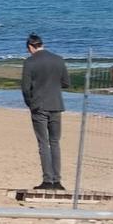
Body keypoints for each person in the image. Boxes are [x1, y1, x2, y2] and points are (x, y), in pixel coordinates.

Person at [20, 32, 69, 191]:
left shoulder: (29, 62)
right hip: (56, 104)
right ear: (41, 44)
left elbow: (25, 88)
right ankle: (57, 180)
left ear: (30, 47)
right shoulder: (58, 59)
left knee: (43, 143)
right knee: (55, 143)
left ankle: (48, 179)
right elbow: (66, 83)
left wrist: (30, 103)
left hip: (39, 105)